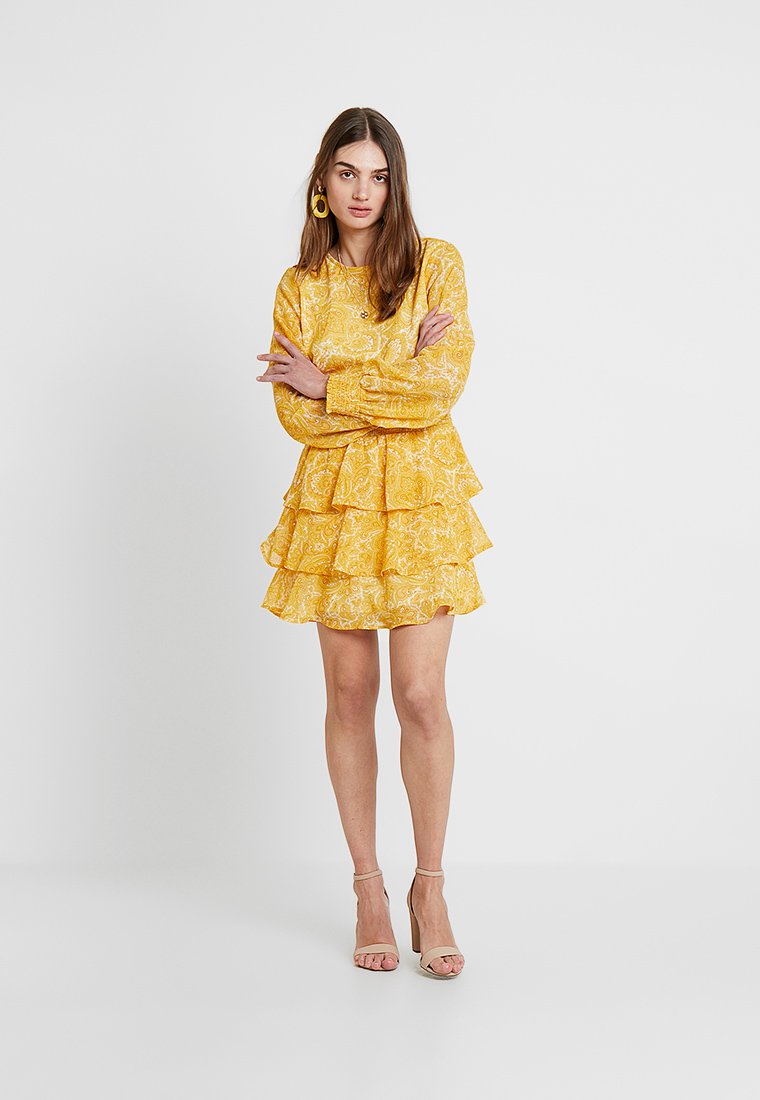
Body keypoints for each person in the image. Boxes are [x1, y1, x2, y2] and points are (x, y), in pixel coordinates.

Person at [256, 107, 493, 978]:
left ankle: (430, 888)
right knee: (350, 694)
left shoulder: (437, 266)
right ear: (323, 183)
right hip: (340, 513)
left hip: (421, 504)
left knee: (421, 696)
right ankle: (367, 888)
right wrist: (386, 377)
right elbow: (294, 416)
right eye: (348, 172)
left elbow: (441, 391)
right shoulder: (299, 288)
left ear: (397, 185)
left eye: (380, 175)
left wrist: (335, 384)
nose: (364, 191)